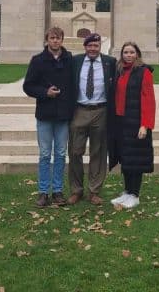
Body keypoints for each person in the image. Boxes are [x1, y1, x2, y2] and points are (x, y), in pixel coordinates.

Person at [23, 26, 74, 207]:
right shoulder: (37, 61)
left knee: (60, 154)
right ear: (47, 40)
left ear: (62, 40)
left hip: (63, 115)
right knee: (45, 154)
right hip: (45, 114)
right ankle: (43, 192)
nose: (55, 41)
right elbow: (28, 86)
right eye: (52, 38)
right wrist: (45, 92)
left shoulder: (69, 60)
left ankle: (58, 191)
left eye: (58, 38)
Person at [67, 32, 116, 205]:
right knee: (74, 151)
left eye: (96, 45)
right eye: (90, 45)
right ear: (85, 46)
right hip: (79, 110)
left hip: (100, 111)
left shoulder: (110, 62)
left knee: (98, 152)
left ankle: (94, 191)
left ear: (100, 46)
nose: (93, 49)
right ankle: (76, 190)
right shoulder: (75, 61)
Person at [108, 41, 156, 209]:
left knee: (136, 160)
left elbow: (148, 99)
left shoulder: (144, 72)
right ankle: (127, 191)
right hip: (121, 122)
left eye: (131, 52)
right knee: (126, 159)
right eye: (125, 52)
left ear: (137, 54)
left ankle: (135, 194)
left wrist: (145, 125)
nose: (128, 55)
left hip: (136, 123)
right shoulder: (120, 71)